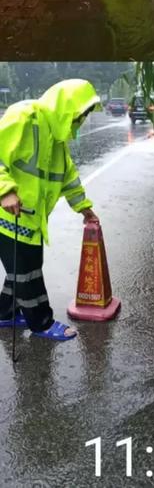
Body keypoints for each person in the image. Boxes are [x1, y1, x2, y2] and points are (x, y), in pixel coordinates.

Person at [0, 80, 101, 342]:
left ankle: (5, 313)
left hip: (31, 221)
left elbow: (68, 177)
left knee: (22, 269)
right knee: (27, 274)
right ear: (65, 108)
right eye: (79, 116)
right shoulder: (24, 117)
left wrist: (84, 207)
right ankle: (41, 323)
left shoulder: (57, 140)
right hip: (6, 218)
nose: (80, 122)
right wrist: (5, 191)